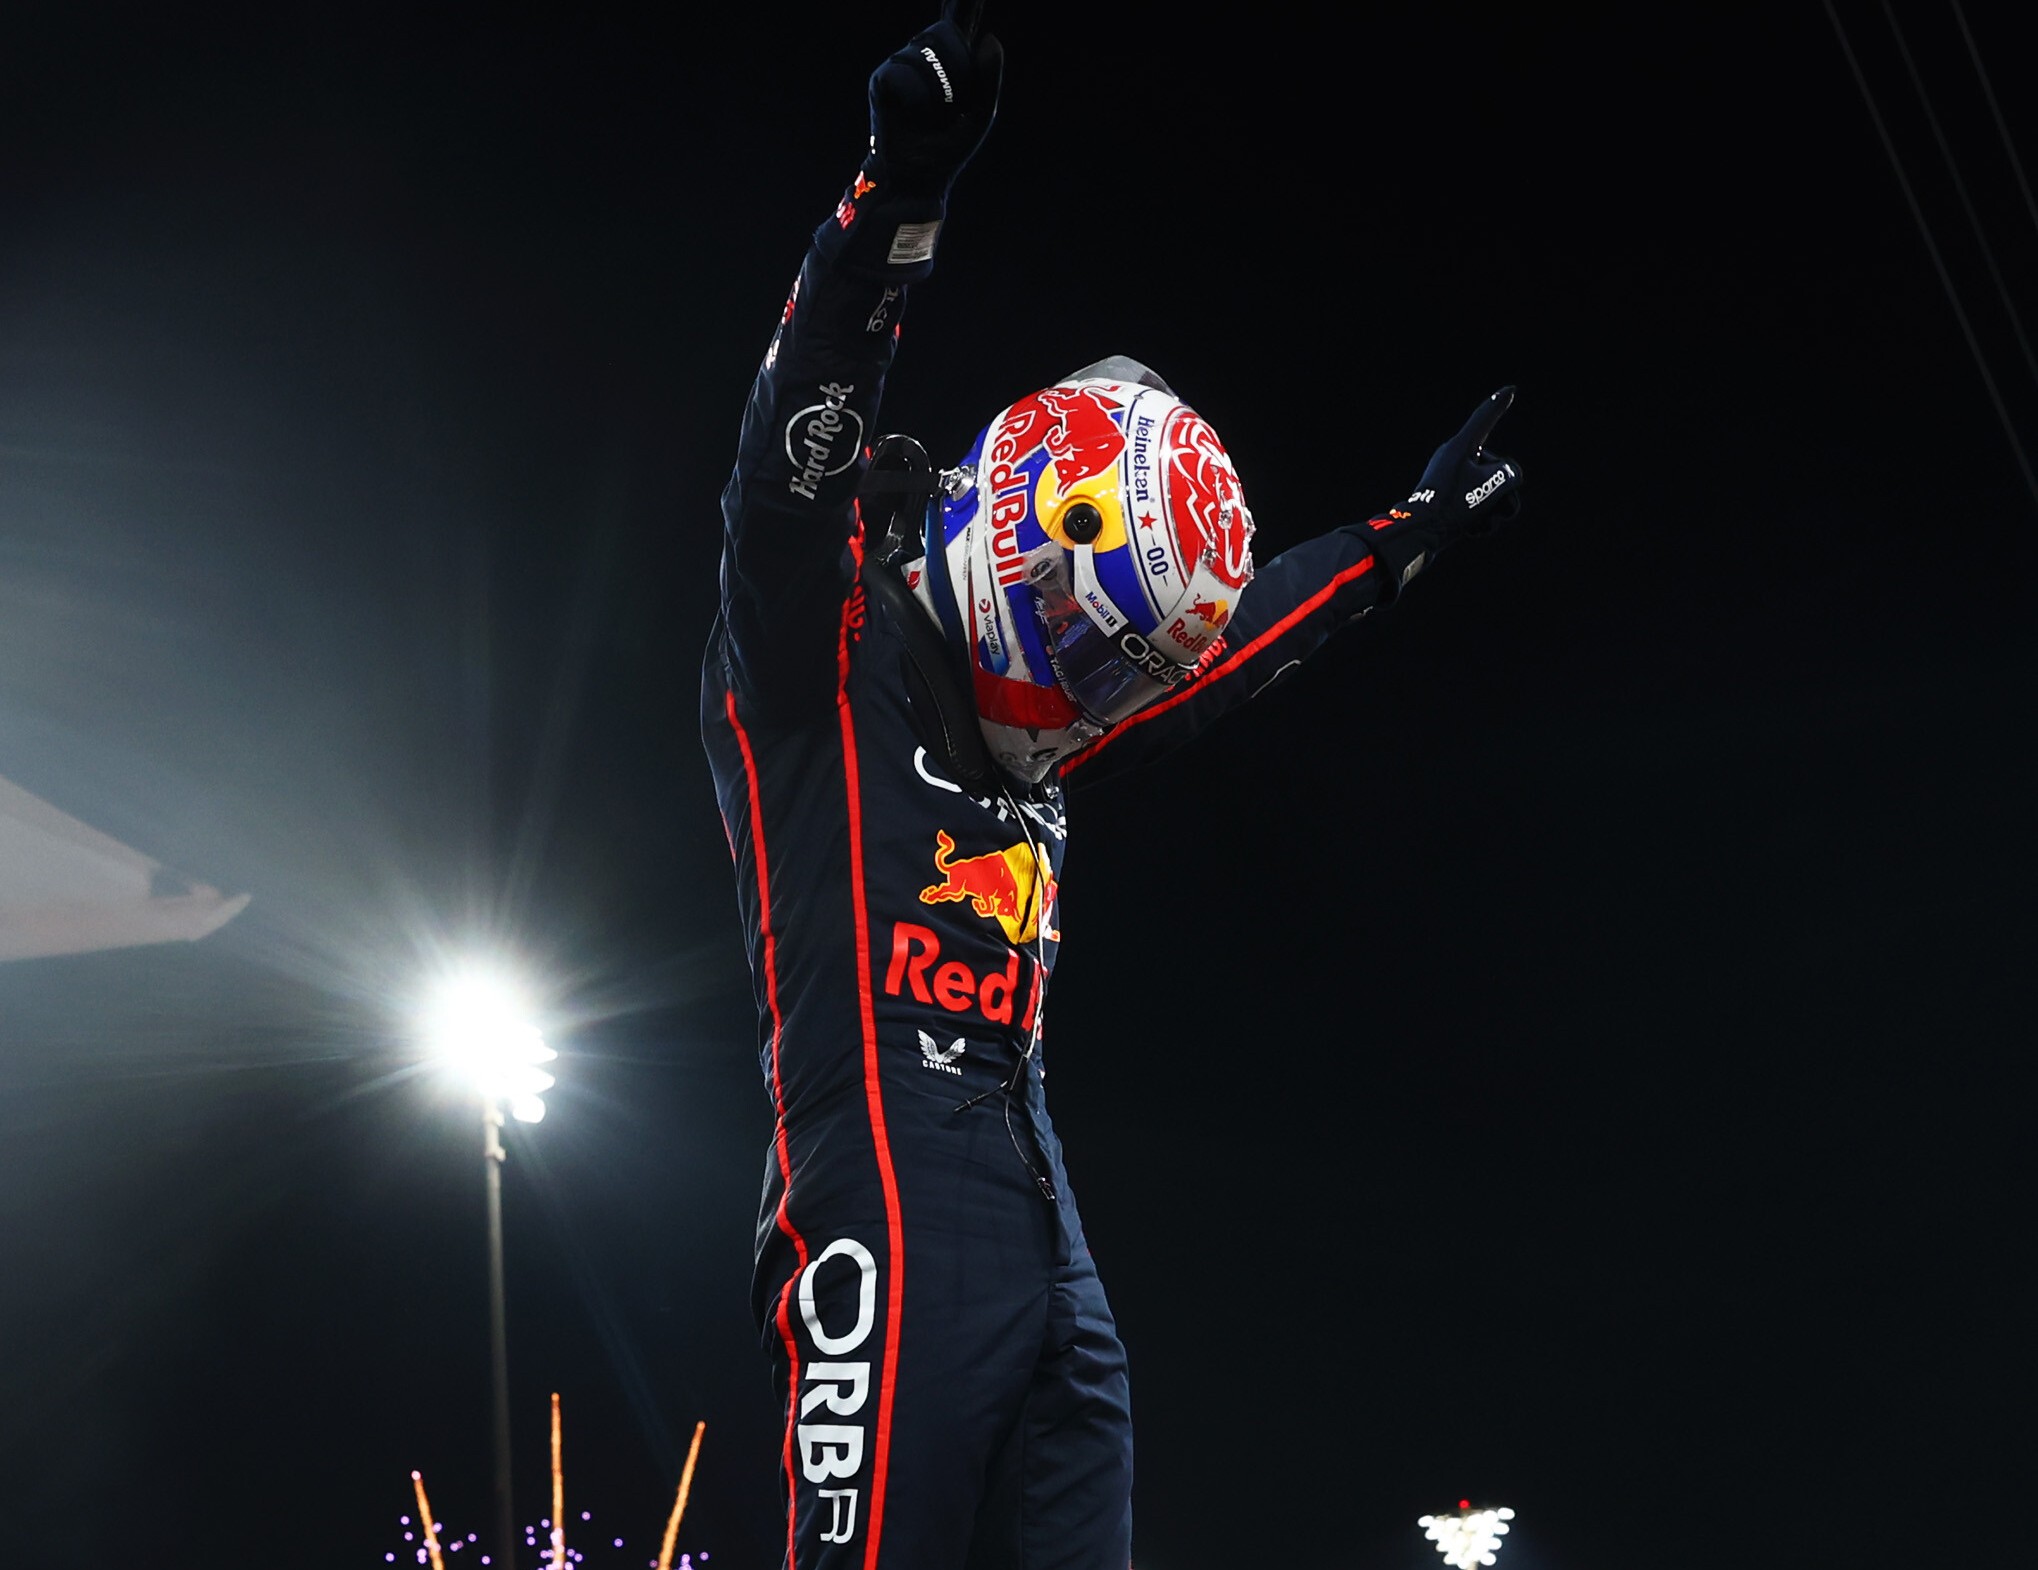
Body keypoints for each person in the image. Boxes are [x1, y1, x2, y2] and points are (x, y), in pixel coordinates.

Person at [699, 5, 1523, 1566]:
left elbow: (1230, 650)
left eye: (1113, 661)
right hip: (876, 1171)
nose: (1096, 682)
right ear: (1019, 537)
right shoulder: (812, 658)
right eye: (1086, 640)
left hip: (1023, 1171)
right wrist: (899, 186)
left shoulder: (1058, 700)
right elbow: (788, 441)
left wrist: (1406, 537)